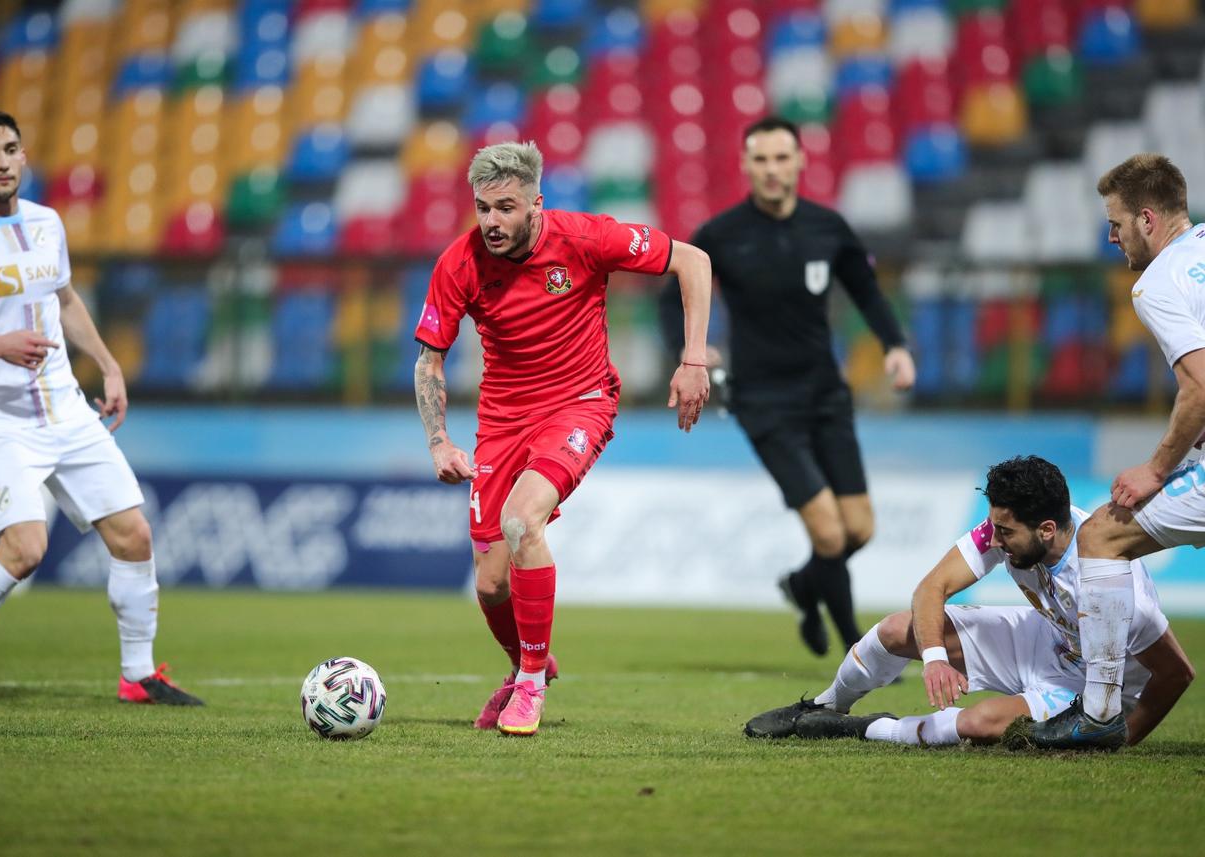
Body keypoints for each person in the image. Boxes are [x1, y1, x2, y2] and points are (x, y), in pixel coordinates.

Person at [414, 140, 711, 736]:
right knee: (491, 582)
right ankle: (530, 662)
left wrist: (694, 359)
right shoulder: (459, 263)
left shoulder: (584, 239)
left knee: (523, 522)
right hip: (501, 421)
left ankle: (527, 688)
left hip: (579, 405)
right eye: (482, 208)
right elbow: (429, 361)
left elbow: (693, 260)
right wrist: (440, 442)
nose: (491, 222)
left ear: (536, 204)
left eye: (504, 207)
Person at [0, 110, 201, 706]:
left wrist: (108, 365)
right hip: (2, 419)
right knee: (24, 549)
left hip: (67, 410)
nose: (2, 161)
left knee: (133, 535)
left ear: (24, 156)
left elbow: (66, 299)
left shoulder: (48, 224)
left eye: (11, 149)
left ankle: (138, 675)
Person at [659, 116, 915, 658]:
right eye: (761, 159)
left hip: (825, 393)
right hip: (762, 401)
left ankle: (803, 585)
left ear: (800, 161)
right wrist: (692, 351)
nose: (772, 170)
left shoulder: (828, 227)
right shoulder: (720, 236)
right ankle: (859, 649)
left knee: (860, 529)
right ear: (746, 166)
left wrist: (894, 345)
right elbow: (670, 297)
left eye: (782, 158)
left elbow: (865, 290)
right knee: (829, 535)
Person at [744, 456, 1193, 749]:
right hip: (1041, 638)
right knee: (896, 630)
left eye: (1005, 532)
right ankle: (826, 707)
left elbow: (1176, 672)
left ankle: (868, 728)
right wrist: (935, 658)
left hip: (1087, 684)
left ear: (1047, 530)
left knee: (979, 725)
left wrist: (1121, 737)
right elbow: (930, 589)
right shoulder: (1009, 530)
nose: (994, 540)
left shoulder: (1113, 588)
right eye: (993, 527)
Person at [1032, 154, 1205, 749]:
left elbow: (1201, 386)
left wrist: (1158, 469)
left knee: (1101, 536)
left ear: (1149, 220)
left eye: (1116, 223)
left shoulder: (1157, 283)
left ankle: (1100, 712)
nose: (1111, 236)